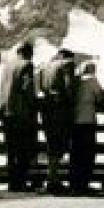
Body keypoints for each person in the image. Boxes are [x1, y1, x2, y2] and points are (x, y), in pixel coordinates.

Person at [0, 42, 39, 192]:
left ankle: (12, 182)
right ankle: (21, 182)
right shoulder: (27, 65)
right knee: (23, 149)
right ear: (29, 53)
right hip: (21, 114)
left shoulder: (7, 66)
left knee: (11, 149)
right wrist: (32, 105)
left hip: (6, 113)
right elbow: (27, 88)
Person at [36, 48, 78, 193]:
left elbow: (40, 86)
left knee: (51, 143)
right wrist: (72, 102)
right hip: (60, 108)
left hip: (47, 107)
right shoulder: (67, 64)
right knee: (61, 143)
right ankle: (55, 180)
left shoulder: (46, 66)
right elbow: (69, 86)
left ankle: (52, 178)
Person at [69, 59, 104, 195]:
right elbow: (100, 96)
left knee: (75, 153)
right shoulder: (91, 79)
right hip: (87, 120)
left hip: (74, 121)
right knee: (87, 153)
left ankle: (74, 183)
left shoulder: (76, 80)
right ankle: (84, 183)